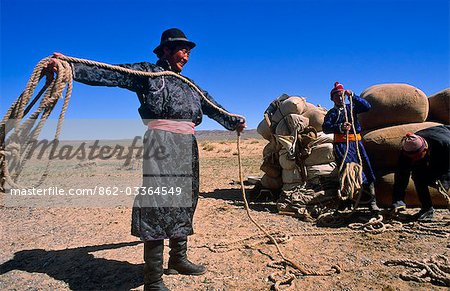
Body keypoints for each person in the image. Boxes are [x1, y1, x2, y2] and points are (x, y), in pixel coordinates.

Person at [48, 28, 246, 290]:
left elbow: (212, 107)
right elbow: (112, 73)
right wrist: (70, 67)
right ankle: (153, 279)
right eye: (181, 49)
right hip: (161, 144)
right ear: (165, 49)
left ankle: (178, 259)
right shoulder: (148, 74)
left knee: (185, 200)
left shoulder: (190, 86)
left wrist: (234, 122)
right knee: (157, 204)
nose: (185, 56)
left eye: (188, 51)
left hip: (188, 147)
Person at [322, 82, 380, 212]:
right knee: (347, 173)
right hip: (342, 146)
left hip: (357, 144)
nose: (340, 98)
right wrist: (340, 127)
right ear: (332, 99)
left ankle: (371, 201)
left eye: (342, 95)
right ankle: (346, 202)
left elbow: (367, 107)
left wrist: (352, 95)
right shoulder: (331, 113)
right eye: (336, 96)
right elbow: (325, 128)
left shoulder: (352, 108)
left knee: (366, 169)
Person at [391, 125, 450, 221]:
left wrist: (444, 180)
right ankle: (427, 209)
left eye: (417, 157)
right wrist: (398, 200)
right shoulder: (407, 151)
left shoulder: (445, 144)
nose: (413, 160)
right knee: (418, 176)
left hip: (445, 146)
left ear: (425, 150)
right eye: (411, 158)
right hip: (435, 151)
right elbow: (401, 175)